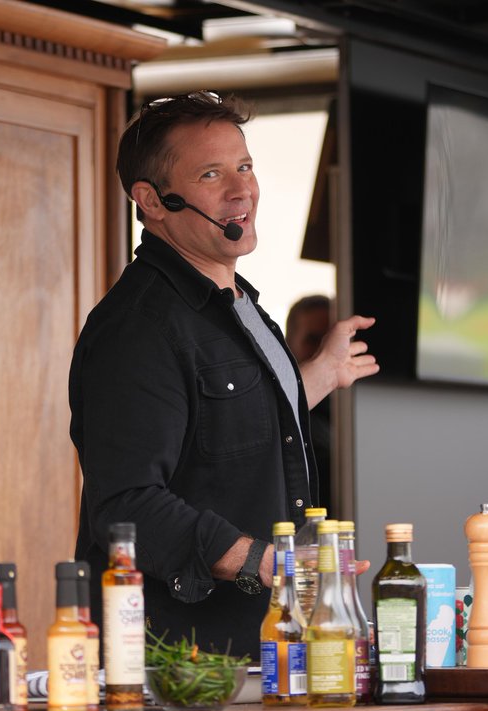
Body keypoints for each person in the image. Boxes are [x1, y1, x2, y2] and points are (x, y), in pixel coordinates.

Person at [69, 91, 378, 658]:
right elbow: (127, 506)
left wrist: (317, 374)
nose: (242, 191)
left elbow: (227, 424)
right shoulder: (138, 329)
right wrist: (272, 564)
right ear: (153, 200)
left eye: (245, 167)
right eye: (212, 174)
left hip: (255, 644)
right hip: (178, 661)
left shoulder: (237, 305)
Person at [286, 294, 333, 510]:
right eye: (313, 340)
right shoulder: (280, 414)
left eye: (330, 341)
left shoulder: (354, 413)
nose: (324, 352)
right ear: (287, 343)